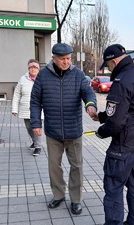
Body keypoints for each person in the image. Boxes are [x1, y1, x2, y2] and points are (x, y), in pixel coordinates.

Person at [91, 44, 134, 225]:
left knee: (113, 187)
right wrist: (102, 117)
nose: (108, 68)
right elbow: (130, 110)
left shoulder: (121, 82)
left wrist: (101, 131)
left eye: (108, 65)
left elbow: (116, 123)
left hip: (124, 146)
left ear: (113, 61)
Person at [30, 43, 97, 215]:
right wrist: (36, 123)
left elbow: (88, 92)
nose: (66, 62)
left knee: (77, 166)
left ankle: (76, 199)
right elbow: (35, 101)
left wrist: (90, 105)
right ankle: (58, 195)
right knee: (54, 166)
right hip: (53, 131)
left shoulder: (78, 74)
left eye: (68, 58)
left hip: (73, 130)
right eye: (62, 59)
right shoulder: (43, 76)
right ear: (54, 58)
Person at [12, 59, 43, 156]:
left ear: (38, 69)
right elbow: (17, 94)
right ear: (28, 68)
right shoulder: (23, 79)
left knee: (36, 127)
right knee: (29, 128)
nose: (33, 69)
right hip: (26, 108)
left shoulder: (42, 79)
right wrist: (14, 109)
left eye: (35, 67)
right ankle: (35, 141)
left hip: (39, 109)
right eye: (31, 67)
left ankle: (38, 147)